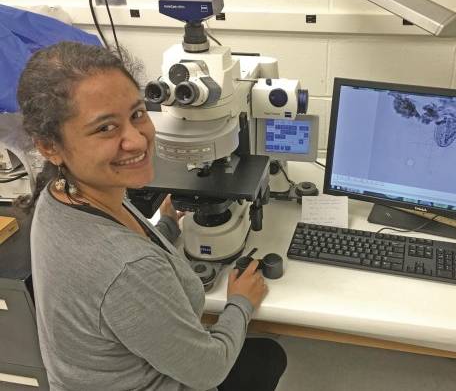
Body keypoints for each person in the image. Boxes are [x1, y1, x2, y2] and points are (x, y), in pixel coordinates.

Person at [16, 41, 286, 391]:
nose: (137, 140)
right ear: (49, 146)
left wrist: (165, 228)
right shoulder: (128, 269)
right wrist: (240, 303)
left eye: (138, 114)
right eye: (105, 128)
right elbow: (208, 372)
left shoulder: (62, 197)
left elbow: (113, 271)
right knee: (269, 356)